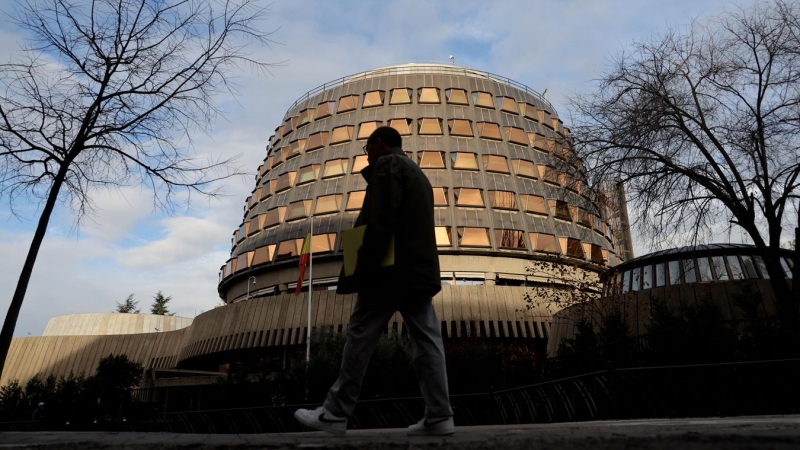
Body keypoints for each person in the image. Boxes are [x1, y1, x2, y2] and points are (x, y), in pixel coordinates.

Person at [294, 126, 454, 436]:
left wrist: (363, 266)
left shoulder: (388, 165)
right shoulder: (417, 173)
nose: (367, 155)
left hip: (388, 271)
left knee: (360, 335)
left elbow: (381, 220)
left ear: (379, 144)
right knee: (427, 341)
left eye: (368, 148)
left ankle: (335, 413)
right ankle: (439, 414)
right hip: (417, 272)